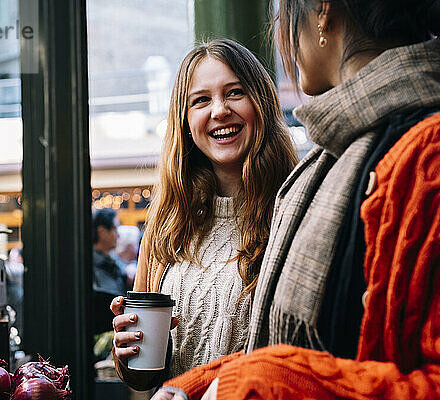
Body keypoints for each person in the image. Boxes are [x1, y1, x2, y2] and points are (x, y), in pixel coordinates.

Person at [154, 0, 440, 399]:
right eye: (200, 100)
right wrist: (199, 383)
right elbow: (292, 352)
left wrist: (262, 381)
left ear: (322, 11)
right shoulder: (331, 160)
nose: (283, 39)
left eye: (283, 15)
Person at [110, 39, 299, 391]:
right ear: (186, 121)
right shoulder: (166, 223)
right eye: (201, 100)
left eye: (235, 93)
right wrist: (127, 351)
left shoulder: (293, 212)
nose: (219, 110)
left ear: (261, 102)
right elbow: (142, 378)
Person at [92, 208, 126, 296]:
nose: (118, 235)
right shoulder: (94, 266)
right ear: (102, 232)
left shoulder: (112, 260)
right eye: (115, 228)